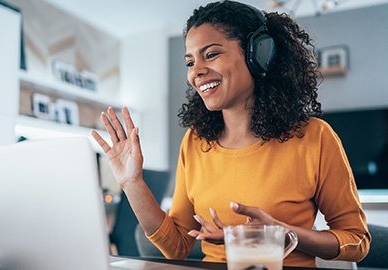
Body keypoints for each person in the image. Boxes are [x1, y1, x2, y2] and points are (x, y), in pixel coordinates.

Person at [91, 0, 371, 267]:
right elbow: (177, 246)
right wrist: (132, 182)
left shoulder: (315, 137)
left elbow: (356, 241)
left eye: (211, 55)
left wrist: (284, 234)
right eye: (190, 62)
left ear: (259, 54)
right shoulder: (196, 141)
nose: (196, 72)